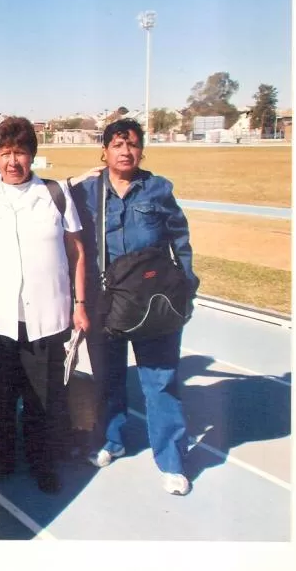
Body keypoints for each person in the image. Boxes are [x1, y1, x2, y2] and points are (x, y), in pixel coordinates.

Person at [69, 118, 199, 496]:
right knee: (108, 377)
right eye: (117, 145)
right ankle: (112, 440)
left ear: (142, 150)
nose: (125, 152)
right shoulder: (89, 193)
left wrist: (185, 288)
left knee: (160, 381)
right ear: (104, 151)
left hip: (154, 300)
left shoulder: (158, 189)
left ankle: (172, 461)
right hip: (105, 302)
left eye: (133, 145)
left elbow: (181, 240)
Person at [0, 117, 88, 494]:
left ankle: (42, 464)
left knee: (44, 399)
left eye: (20, 153)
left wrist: (80, 303)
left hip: (46, 316)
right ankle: (0, 462)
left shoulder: (55, 193)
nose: (13, 162)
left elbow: (76, 251)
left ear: (32, 155)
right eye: (5, 154)